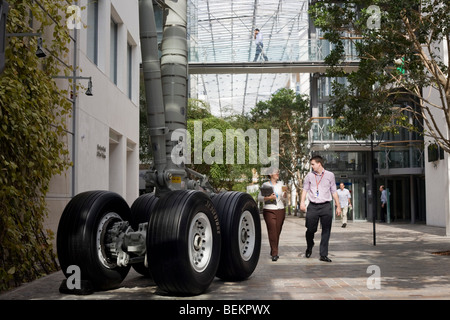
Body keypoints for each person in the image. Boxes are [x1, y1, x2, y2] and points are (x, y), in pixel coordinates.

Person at [300, 155, 342, 262]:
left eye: (313, 164)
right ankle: (310, 246)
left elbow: (334, 191)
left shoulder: (330, 175)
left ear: (319, 164)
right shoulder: (309, 176)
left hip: (326, 206)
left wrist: (338, 206)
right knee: (310, 229)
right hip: (313, 206)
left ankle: (323, 254)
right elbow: (305, 190)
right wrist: (302, 203)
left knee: (326, 230)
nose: (312, 166)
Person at [257, 168, 287, 261]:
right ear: (270, 174)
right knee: (272, 231)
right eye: (275, 172)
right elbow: (259, 198)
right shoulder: (265, 185)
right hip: (269, 209)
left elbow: (285, 199)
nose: (277, 173)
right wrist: (269, 197)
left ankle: (273, 249)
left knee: (277, 231)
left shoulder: (282, 184)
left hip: (280, 210)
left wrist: (285, 195)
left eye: (278, 171)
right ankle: (275, 253)